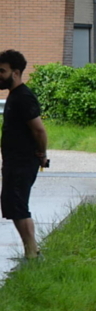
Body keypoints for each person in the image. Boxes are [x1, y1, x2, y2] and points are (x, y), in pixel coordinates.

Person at [0, 49, 48, 259]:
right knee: (12, 204)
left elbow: (39, 129)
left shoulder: (24, 98)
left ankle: (32, 252)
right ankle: (31, 250)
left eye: (2, 71)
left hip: (22, 162)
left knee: (18, 204)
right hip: (13, 161)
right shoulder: (14, 96)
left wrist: (42, 153)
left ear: (16, 72)